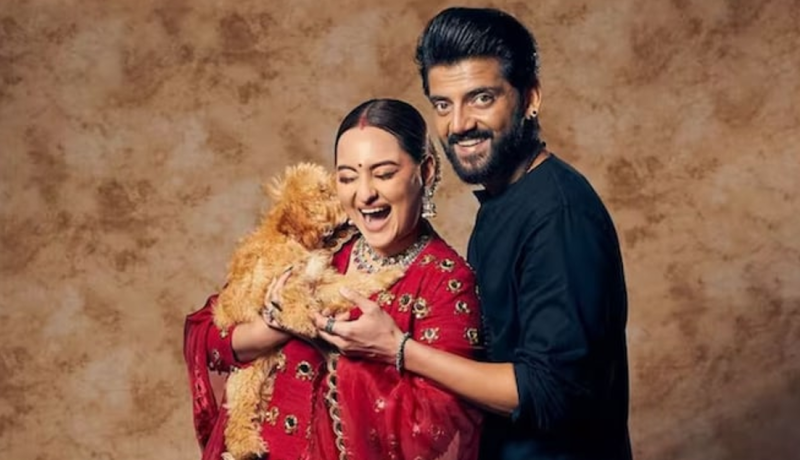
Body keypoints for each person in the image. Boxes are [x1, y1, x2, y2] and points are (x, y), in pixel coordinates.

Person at [313, 7, 632, 460]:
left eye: (481, 98)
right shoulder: (503, 200)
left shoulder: (560, 214)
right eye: (443, 104)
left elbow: (548, 392)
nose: (459, 124)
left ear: (530, 98)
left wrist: (398, 349)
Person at [184, 98, 483, 460]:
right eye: (347, 177)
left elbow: (442, 428)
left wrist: (360, 355)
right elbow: (210, 335)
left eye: (384, 174)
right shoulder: (325, 248)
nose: (364, 193)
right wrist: (277, 328)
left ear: (427, 172)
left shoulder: (446, 282)